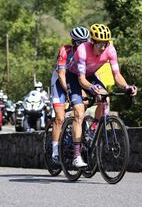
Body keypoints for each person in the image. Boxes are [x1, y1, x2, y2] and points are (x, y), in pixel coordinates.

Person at [66, 23, 137, 168]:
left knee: (105, 98)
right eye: (100, 44)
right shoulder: (82, 50)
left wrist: (127, 86)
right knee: (79, 112)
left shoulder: (110, 50)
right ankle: (76, 156)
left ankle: (92, 130)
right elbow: (81, 80)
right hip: (75, 77)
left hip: (91, 75)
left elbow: (116, 75)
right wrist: (92, 89)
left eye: (105, 43)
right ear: (92, 42)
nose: (103, 47)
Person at [50, 26, 90, 165]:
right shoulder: (65, 50)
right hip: (59, 82)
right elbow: (61, 75)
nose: (82, 45)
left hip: (74, 80)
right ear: (73, 42)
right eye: (79, 42)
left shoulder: (86, 52)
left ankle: (79, 136)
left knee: (82, 108)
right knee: (60, 118)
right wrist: (68, 93)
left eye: (85, 42)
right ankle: (54, 152)